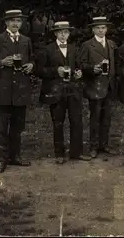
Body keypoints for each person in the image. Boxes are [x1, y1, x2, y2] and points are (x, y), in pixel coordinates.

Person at [0, 9, 35, 173]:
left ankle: (15, 157)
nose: (15, 24)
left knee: (18, 126)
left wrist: (32, 65)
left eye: (18, 21)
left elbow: (32, 59)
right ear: (6, 23)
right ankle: (1, 159)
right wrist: (1, 62)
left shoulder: (26, 40)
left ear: (21, 23)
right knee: (2, 127)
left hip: (20, 90)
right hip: (3, 91)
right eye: (12, 21)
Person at [36, 21, 91, 164]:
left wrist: (79, 73)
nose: (63, 34)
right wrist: (56, 71)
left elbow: (79, 67)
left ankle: (76, 153)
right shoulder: (47, 49)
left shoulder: (74, 49)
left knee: (77, 121)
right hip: (55, 91)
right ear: (55, 33)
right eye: (60, 32)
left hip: (73, 91)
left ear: (69, 33)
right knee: (58, 122)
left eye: (66, 32)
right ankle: (59, 153)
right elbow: (39, 70)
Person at [78, 16, 118, 158]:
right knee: (95, 117)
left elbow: (116, 63)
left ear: (106, 29)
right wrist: (91, 69)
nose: (101, 30)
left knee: (107, 117)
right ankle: (93, 146)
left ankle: (104, 145)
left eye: (103, 28)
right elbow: (81, 64)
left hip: (109, 86)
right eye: (98, 28)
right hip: (95, 86)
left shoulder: (112, 44)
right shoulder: (87, 45)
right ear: (93, 29)